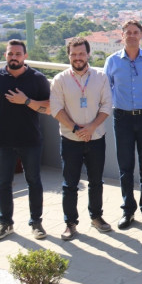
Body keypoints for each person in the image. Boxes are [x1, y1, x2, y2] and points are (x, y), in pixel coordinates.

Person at [0, 39, 51, 241]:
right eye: (10, 54)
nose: (14, 57)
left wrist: (26, 101)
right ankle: (5, 224)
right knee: (3, 184)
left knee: (34, 182)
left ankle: (36, 223)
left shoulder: (37, 78)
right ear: (5, 55)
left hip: (31, 140)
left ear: (25, 56)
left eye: (18, 54)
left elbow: (50, 107)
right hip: (2, 141)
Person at [50, 37, 113, 240]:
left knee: (96, 181)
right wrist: (77, 129)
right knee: (70, 184)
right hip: (70, 139)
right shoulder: (60, 80)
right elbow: (56, 109)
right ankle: (70, 223)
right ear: (69, 55)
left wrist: (91, 127)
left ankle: (96, 218)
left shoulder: (101, 77)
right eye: (74, 54)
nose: (78, 58)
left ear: (88, 55)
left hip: (96, 138)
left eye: (81, 54)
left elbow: (106, 106)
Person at [104, 20, 142, 229]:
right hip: (122, 118)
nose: (131, 35)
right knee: (125, 167)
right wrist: (116, 102)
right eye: (128, 32)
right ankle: (128, 211)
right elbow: (106, 85)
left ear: (141, 35)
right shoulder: (112, 61)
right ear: (122, 35)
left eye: (135, 32)